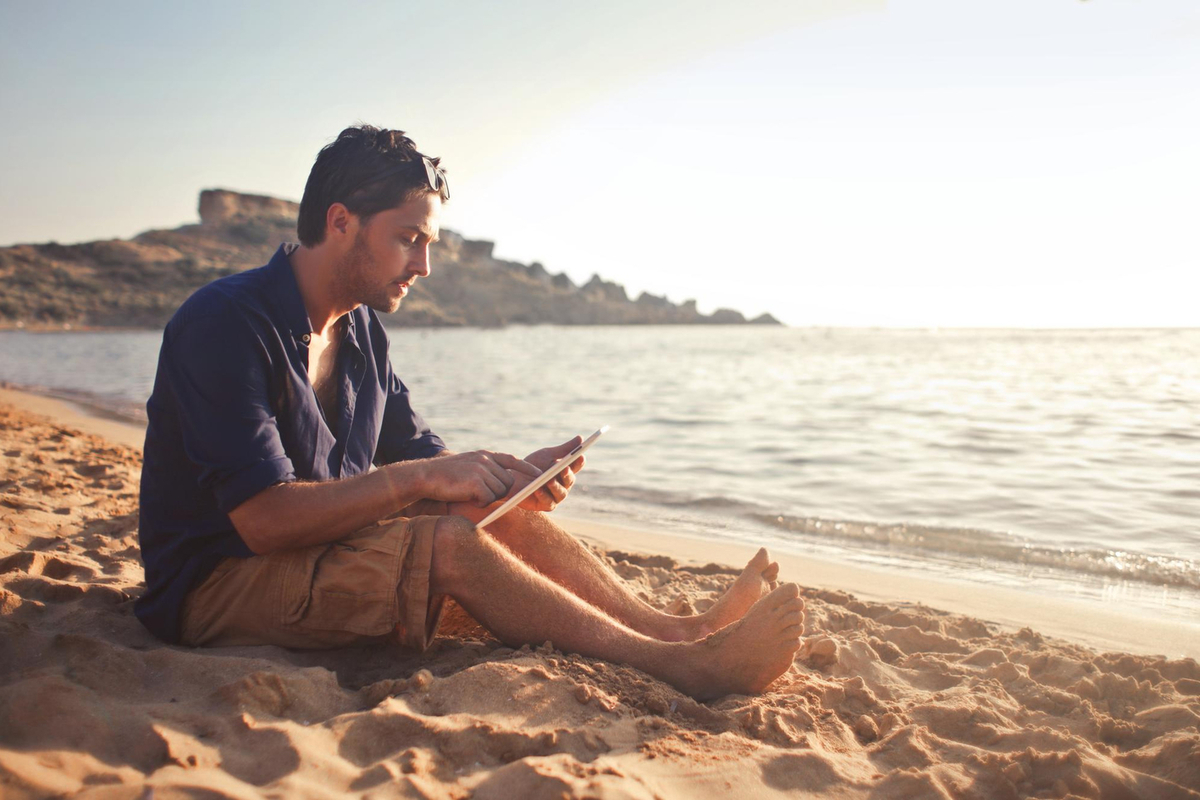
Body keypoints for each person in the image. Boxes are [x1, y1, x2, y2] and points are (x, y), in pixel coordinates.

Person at [136, 125, 804, 700]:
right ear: (341, 223)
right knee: (448, 542)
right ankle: (683, 668)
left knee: (476, 517)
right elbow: (263, 519)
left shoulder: (361, 333)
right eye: (408, 239)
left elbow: (422, 456)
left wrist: (510, 481)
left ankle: (679, 630)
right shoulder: (224, 323)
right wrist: (416, 483)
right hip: (215, 585)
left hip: (310, 550)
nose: (424, 265)